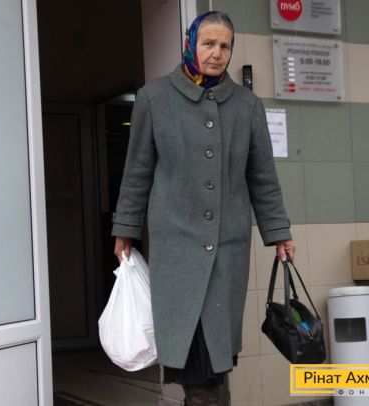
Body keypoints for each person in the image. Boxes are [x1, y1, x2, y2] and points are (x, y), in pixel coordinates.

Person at [111, 11, 295, 405]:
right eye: (208, 43)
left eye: (225, 46)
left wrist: (278, 232)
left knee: (215, 360)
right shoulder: (154, 98)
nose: (216, 53)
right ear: (190, 44)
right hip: (176, 247)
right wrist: (125, 228)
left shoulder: (247, 106)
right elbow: (137, 171)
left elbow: (262, 176)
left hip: (227, 249)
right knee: (197, 364)